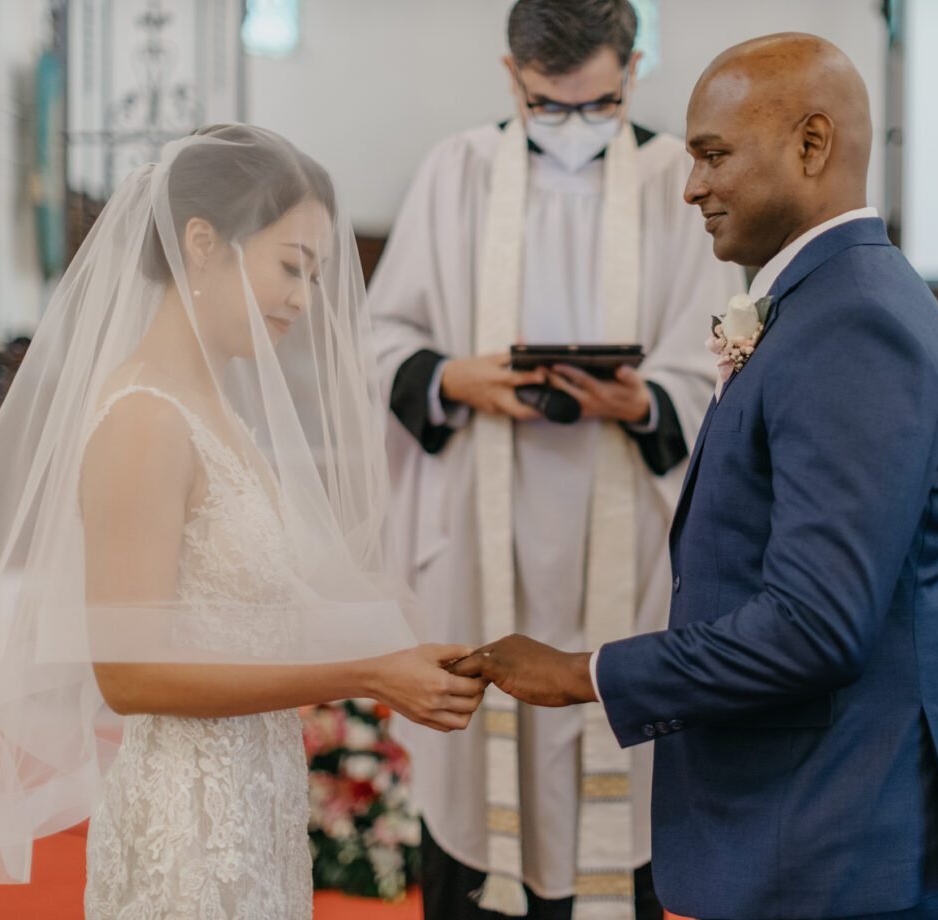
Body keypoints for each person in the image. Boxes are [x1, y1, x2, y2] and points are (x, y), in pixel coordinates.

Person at [0, 124, 484, 920]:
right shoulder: (145, 421)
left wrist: (392, 649)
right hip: (188, 830)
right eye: (292, 268)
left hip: (254, 802)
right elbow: (129, 676)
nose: (305, 299)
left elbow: (242, 617)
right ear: (203, 242)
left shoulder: (221, 412)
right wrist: (364, 675)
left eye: (316, 275)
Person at [453, 33, 938, 920]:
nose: (691, 185)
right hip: (811, 817)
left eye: (712, 155)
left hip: (830, 833)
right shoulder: (824, 302)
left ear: (811, 146)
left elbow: (815, 626)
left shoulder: (856, 327)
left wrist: (585, 673)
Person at [369, 1, 743, 917]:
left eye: (596, 105)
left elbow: (716, 362)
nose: (573, 128)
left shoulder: (676, 179)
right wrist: (455, 377)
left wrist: (645, 397)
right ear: (511, 78)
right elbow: (380, 337)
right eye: (549, 107)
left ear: (634, 69)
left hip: (626, 543)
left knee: (625, 762)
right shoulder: (457, 172)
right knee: (478, 778)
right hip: (480, 532)